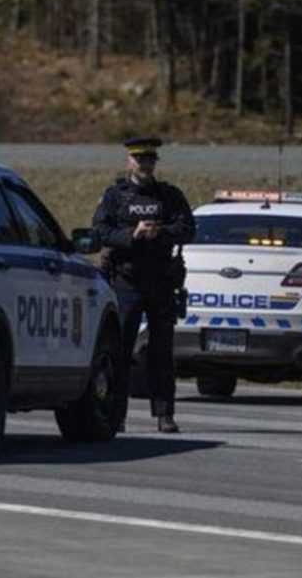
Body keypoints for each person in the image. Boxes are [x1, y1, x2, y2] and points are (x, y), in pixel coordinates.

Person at [92, 137, 195, 433]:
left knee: (161, 352)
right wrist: (132, 235)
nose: (145, 165)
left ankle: (165, 414)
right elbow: (101, 231)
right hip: (127, 281)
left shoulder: (169, 195)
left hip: (161, 281)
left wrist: (159, 233)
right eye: (139, 159)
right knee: (120, 351)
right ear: (129, 161)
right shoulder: (115, 196)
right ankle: (117, 414)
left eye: (149, 160)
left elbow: (188, 229)